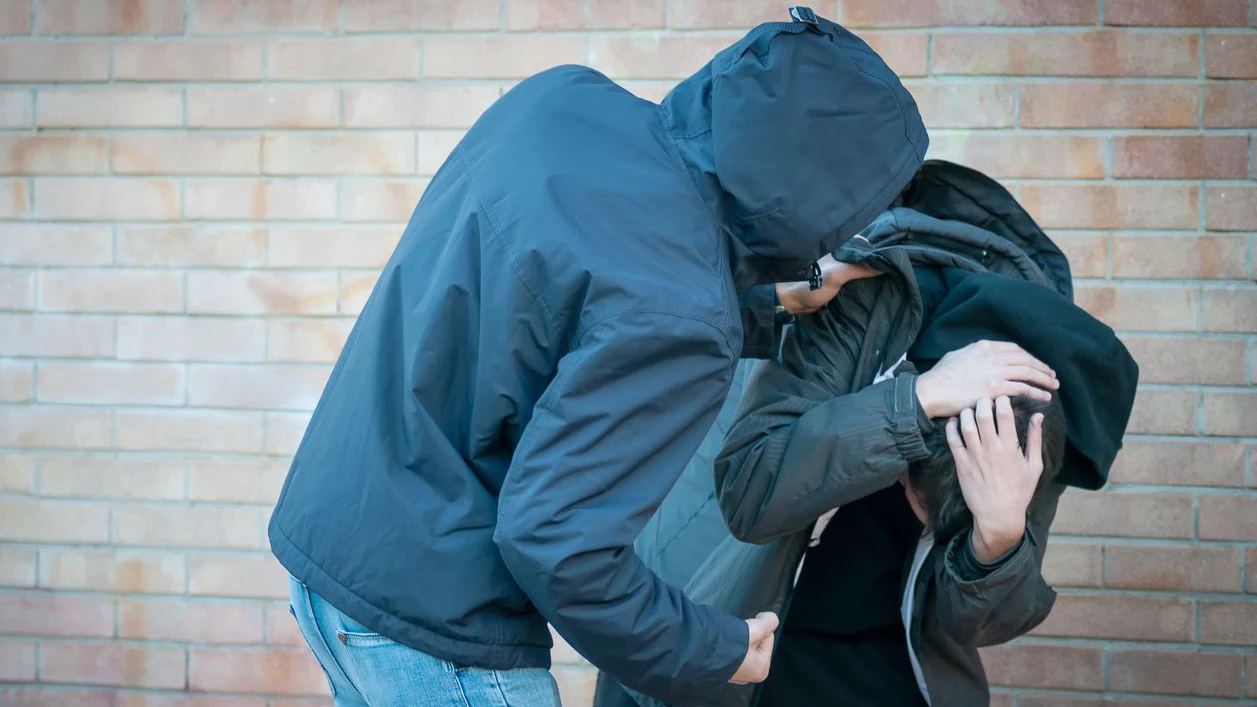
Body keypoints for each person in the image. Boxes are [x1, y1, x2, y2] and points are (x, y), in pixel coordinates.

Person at [268, 7, 932, 707]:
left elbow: (571, 303)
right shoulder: (682, 315)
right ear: (824, 187)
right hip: (436, 628)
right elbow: (557, 542)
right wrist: (714, 650)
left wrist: (765, 302)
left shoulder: (559, 98)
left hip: (331, 558)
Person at [593, 160, 1139, 707]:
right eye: (918, 501)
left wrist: (998, 540)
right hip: (726, 585)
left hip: (889, 646)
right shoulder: (856, 299)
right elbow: (751, 493)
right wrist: (912, 406)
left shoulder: (1032, 410)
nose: (920, 520)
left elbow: (982, 622)